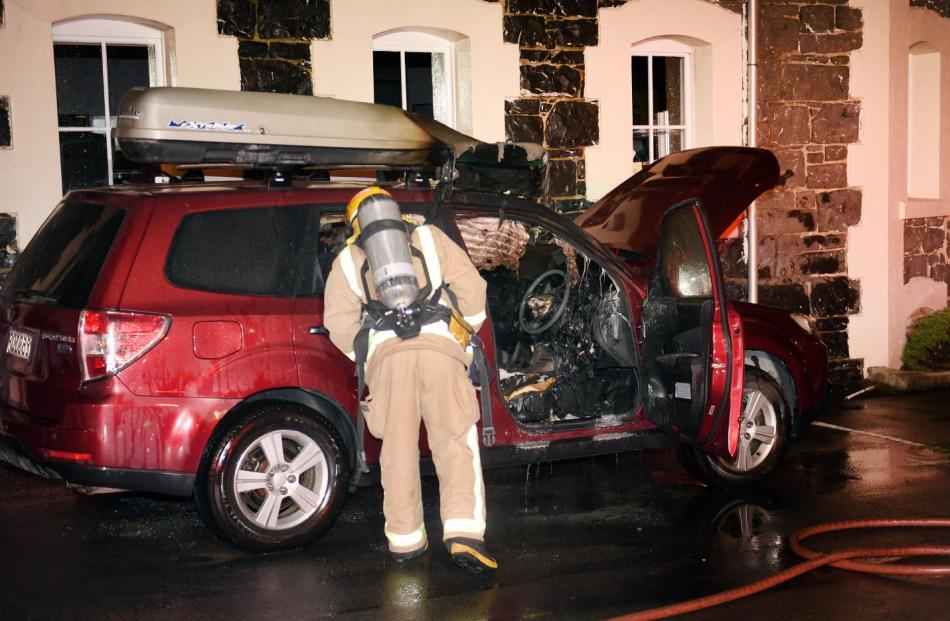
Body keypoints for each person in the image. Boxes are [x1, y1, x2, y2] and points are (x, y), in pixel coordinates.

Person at [323, 186, 497, 573]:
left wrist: (367, 359)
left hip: (388, 364)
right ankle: (464, 535)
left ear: (354, 223)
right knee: (454, 445)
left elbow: (338, 325)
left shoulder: (348, 261)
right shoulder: (429, 238)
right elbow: (472, 290)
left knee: (398, 454)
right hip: (442, 354)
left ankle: (406, 542)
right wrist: (464, 336)